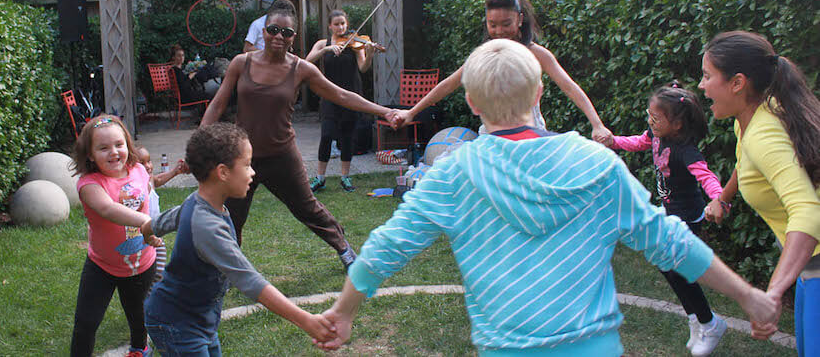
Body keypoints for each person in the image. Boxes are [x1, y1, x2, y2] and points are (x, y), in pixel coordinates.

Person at [315, 39, 780, 355]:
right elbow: (670, 240)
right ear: (538, 93)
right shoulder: (594, 163)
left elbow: (385, 248)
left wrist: (344, 310)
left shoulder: (452, 173)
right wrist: (748, 296)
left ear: (472, 105)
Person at [201, 4, 403, 269]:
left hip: (282, 155)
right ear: (264, 31)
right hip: (242, 158)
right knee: (232, 215)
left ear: (293, 37)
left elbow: (341, 95)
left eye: (286, 32)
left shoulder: (300, 69)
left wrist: (385, 111)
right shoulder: (242, 63)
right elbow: (216, 105)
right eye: (273, 30)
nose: (278, 36)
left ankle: (344, 249)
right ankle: (230, 269)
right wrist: (199, 144)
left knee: (307, 208)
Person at [141, 123, 335, 355]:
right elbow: (250, 281)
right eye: (247, 165)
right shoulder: (208, 228)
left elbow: (161, 221)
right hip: (176, 322)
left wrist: (147, 231)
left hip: (199, 319)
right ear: (222, 172)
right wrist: (306, 320)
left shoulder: (197, 201)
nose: (253, 172)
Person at [698, 30, 820, 354]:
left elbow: (808, 211)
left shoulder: (764, 134)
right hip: (811, 268)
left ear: (737, 83)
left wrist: (773, 293)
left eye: (708, 76)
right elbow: (746, 161)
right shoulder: (752, 118)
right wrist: (723, 197)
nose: (701, 85)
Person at [599, 83, 727, 356]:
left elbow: (705, 176)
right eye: (650, 115)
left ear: (678, 124)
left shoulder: (685, 150)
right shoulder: (657, 136)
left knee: (676, 267)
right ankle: (697, 319)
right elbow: (639, 142)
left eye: (655, 118)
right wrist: (614, 141)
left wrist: (718, 198)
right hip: (670, 212)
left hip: (687, 217)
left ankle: (709, 322)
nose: (650, 121)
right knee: (665, 264)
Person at [394, 0, 612, 142]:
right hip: (492, 139)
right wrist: (411, 112)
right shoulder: (483, 56)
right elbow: (448, 84)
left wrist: (597, 124)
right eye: (492, 25)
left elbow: (569, 87)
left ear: (519, 20)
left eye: (506, 24)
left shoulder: (537, 54)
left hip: (530, 138)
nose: (499, 31)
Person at [69, 115, 162, 357]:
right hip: (103, 266)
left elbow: (147, 195)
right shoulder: (89, 184)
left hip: (142, 262)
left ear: (127, 146)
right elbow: (108, 209)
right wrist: (146, 223)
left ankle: (139, 349)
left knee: (138, 313)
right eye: (103, 148)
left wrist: (152, 227)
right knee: (86, 322)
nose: (114, 152)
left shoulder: (139, 170)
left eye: (119, 145)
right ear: (89, 155)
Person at [305, 9, 377, 192]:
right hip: (329, 95)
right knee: (327, 135)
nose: (341, 27)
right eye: (336, 24)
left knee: (347, 137)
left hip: (351, 94)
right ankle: (320, 178)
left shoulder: (355, 44)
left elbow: (363, 68)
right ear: (330, 26)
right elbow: (307, 61)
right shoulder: (323, 43)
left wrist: (369, 54)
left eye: (343, 24)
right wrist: (327, 49)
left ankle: (345, 177)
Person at [137, 146, 185, 283]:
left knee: (158, 271)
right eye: (142, 163)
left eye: (149, 161)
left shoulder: (150, 180)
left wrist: (175, 172)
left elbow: (158, 179)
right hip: (140, 236)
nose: (148, 166)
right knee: (144, 272)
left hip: (155, 231)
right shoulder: (133, 185)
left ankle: (155, 290)